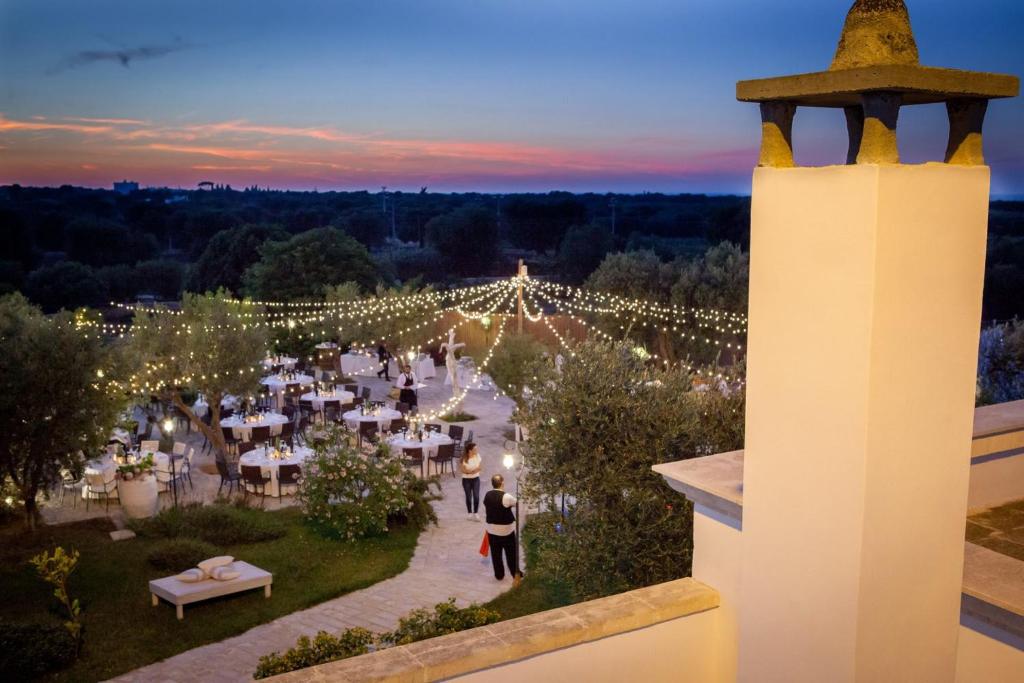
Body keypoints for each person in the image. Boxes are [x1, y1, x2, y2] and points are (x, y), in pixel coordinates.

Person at [484, 474, 520, 581]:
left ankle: (499, 575)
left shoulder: (487, 495)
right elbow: (516, 503)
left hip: (492, 531)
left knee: (496, 554)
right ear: (502, 483)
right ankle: (515, 572)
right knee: (511, 553)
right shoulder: (507, 496)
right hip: (506, 532)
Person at [460, 441, 482, 521]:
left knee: (476, 496)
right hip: (466, 480)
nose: (476, 450)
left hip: (476, 479)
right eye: (475, 449)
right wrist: (472, 471)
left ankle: (475, 513)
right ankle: (469, 513)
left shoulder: (478, 456)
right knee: (468, 496)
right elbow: (463, 470)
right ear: (470, 450)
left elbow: (479, 467)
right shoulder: (464, 458)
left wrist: (471, 472)